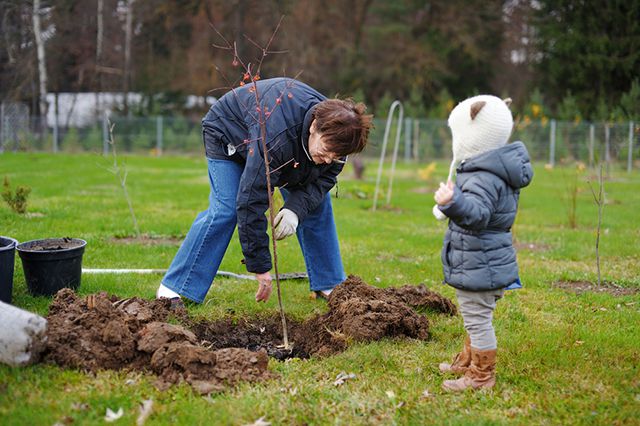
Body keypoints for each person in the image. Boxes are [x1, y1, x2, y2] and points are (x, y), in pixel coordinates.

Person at [157, 77, 372, 306]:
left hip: (289, 148)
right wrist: (260, 266)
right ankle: (174, 288)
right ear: (313, 127)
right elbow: (252, 198)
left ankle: (329, 284)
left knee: (317, 206)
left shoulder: (341, 140)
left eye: (336, 157)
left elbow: (322, 182)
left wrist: (295, 210)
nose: (329, 160)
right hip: (228, 133)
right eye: (327, 151)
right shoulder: (276, 136)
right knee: (226, 209)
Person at [432, 94, 533, 391]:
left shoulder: (482, 177)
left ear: (471, 135)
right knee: (473, 314)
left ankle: (481, 376)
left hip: (480, 261)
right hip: (484, 259)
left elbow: (477, 216)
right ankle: (468, 360)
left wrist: (453, 202)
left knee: (478, 319)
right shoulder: (491, 171)